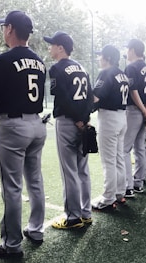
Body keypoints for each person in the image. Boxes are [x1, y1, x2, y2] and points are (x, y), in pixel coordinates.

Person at [0, 10, 47, 258]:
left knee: (12, 188)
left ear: (9, 28)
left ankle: (11, 245)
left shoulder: (3, 60)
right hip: (37, 125)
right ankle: (37, 230)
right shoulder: (40, 61)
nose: (2, 31)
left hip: (14, 127)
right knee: (35, 181)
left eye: (3, 27)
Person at [43, 32, 93, 228]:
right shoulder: (82, 68)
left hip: (67, 122)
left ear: (61, 47)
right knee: (83, 169)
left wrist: (77, 120)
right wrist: (85, 119)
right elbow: (91, 97)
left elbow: (63, 98)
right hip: (82, 122)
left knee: (69, 171)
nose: (50, 48)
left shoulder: (57, 68)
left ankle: (72, 217)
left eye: (52, 45)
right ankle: (86, 213)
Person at [92, 45, 129, 210]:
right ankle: (120, 193)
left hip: (109, 117)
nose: (99, 58)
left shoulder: (107, 72)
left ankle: (107, 199)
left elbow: (95, 97)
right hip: (122, 117)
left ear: (107, 57)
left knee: (109, 161)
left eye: (100, 56)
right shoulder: (122, 73)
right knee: (118, 158)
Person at [124, 39, 146, 196]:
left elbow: (132, 90)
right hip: (144, 111)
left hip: (134, 110)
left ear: (133, 50)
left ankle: (127, 186)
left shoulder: (131, 67)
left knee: (124, 148)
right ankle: (138, 183)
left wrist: (143, 109)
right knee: (140, 147)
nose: (127, 52)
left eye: (128, 49)